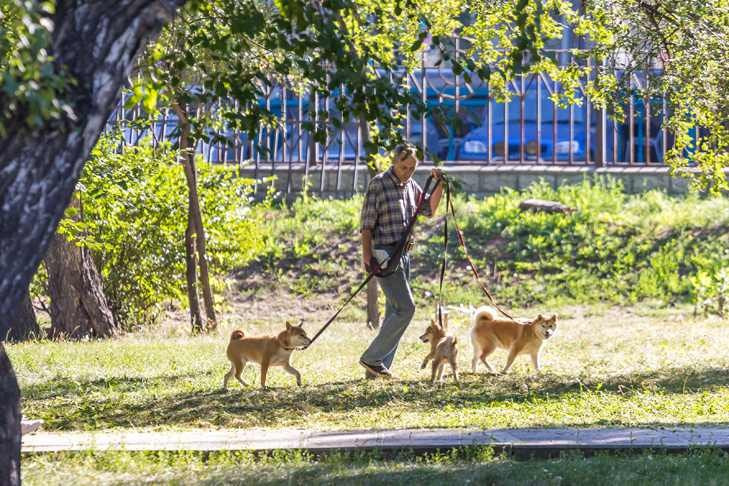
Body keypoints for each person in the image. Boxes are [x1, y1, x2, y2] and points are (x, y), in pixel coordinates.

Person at [359, 144, 444, 378]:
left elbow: (428, 210)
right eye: (404, 167)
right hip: (384, 255)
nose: (408, 171)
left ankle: (376, 369)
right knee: (407, 308)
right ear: (394, 163)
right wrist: (368, 258)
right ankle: (372, 358)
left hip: (404, 254)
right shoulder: (378, 184)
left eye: (412, 168)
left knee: (394, 310)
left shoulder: (410, 185)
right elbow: (366, 225)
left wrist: (440, 185)